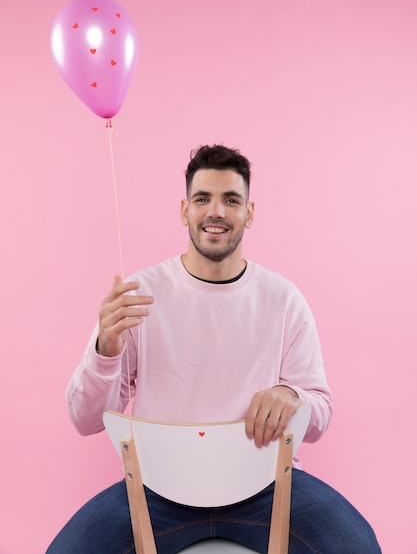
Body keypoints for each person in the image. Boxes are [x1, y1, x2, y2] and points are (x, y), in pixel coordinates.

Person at [47, 144, 381, 553]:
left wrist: (291, 396)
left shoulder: (283, 299)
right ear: (184, 210)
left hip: (265, 487)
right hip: (157, 490)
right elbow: (84, 420)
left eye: (231, 200)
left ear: (250, 212)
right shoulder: (140, 295)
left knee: (356, 545)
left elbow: (321, 412)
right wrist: (106, 350)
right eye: (203, 198)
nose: (216, 212)